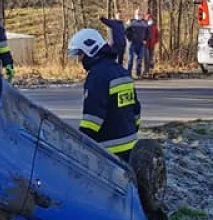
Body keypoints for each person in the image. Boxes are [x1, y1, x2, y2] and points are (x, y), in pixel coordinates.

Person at [68, 28, 141, 160]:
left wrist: (80, 142)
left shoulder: (97, 76)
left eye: (80, 54)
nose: (79, 60)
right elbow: (136, 110)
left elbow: (92, 118)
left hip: (108, 151)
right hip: (131, 148)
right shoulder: (121, 71)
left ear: (91, 50)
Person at [125, 9, 149, 78]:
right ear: (135, 13)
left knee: (140, 59)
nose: (139, 14)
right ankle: (128, 74)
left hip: (141, 44)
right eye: (138, 13)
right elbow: (126, 31)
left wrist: (145, 40)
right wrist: (129, 39)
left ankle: (138, 74)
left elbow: (148, 32)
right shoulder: (131, 21)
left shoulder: (144, 22)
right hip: (132, 43)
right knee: (130, 59)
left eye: (140, 13)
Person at [144, 11, 160, 76]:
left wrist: (155, 41)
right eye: (148, 18)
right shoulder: (144, 26)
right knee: (146, 58)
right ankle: (146, 71)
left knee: (151, 58)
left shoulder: (154, 27)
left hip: (152, 45)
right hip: (146, 45)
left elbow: (157, 35)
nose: (150, 20)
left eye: (150, 18)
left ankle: (150, 71)